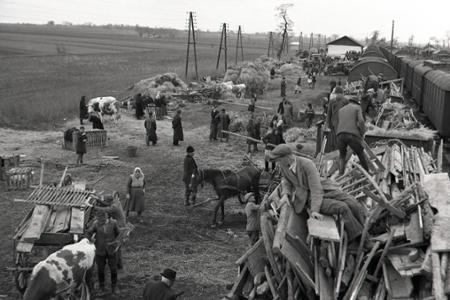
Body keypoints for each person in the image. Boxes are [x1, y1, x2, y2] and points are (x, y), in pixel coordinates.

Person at [268, 144, 365, 243]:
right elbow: (286, 180)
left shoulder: (306, 164)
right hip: (307, 198)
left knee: (352, 202)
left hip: (322, 190)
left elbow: (316, 188)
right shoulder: (283, 165)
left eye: (279, 160)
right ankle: (359, 239)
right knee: (343, 207)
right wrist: (285, 194)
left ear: (287, 157)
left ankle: (364, 231)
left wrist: (315, 210)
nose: (278, 163)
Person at [87, 211, 120, 295]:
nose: (100, 222)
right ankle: (102, 287)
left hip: (111, 250)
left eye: (102, 220)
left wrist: (117, 242)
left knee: (113, 269)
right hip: (100, 250)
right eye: (99, 220)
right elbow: (88, 233)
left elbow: (118, 234)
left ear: (107, 217)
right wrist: (91, 239)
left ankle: (114, 286)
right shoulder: (96, 224)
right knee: (100, 270)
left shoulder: (114, 223)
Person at [336, 96, 369, 175]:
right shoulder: (357, 107)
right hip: (351, 134)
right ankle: (367, 173)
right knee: (360, 152)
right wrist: (362, 132)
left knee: (342, 155)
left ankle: (341, 173)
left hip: (340, 134)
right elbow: (361, 121)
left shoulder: (341, 110)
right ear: (356, 103)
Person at [95, 193, 127, 270]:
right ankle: (119, 265)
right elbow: (106, 204)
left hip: (120, 226)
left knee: (115, 246)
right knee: (117, 247)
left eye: (105, 200)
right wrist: (99, 200)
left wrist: (94, 207)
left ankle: (117, 265)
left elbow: (106, 209)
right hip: (120, 224)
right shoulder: (115, 201)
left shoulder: (114, 207)